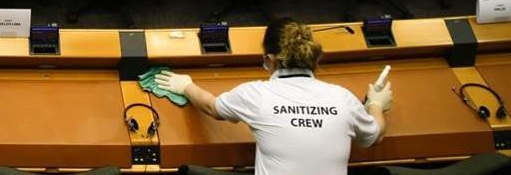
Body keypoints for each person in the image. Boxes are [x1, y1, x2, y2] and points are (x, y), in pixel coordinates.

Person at [154, 18, 392, 175]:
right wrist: (376, 104)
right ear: (314, 58)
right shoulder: (343, 99)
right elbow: (373, 135)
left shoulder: (256, 94)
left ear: (269, 60)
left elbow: (212, 107)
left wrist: (186, 85)